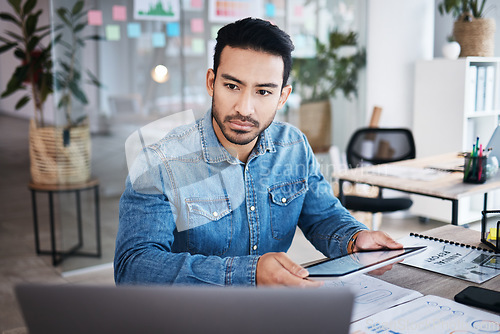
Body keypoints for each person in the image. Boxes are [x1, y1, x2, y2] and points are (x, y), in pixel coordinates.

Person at [114, 17, 402, 287]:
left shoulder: (293, 145)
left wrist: (355, 238)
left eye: (263, 91)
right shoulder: (159, 162)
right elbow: (134, 268)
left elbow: (323, 216)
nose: (244, 108)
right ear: (211, 83)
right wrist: (249, 274)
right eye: (232, 86)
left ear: (282, 97)